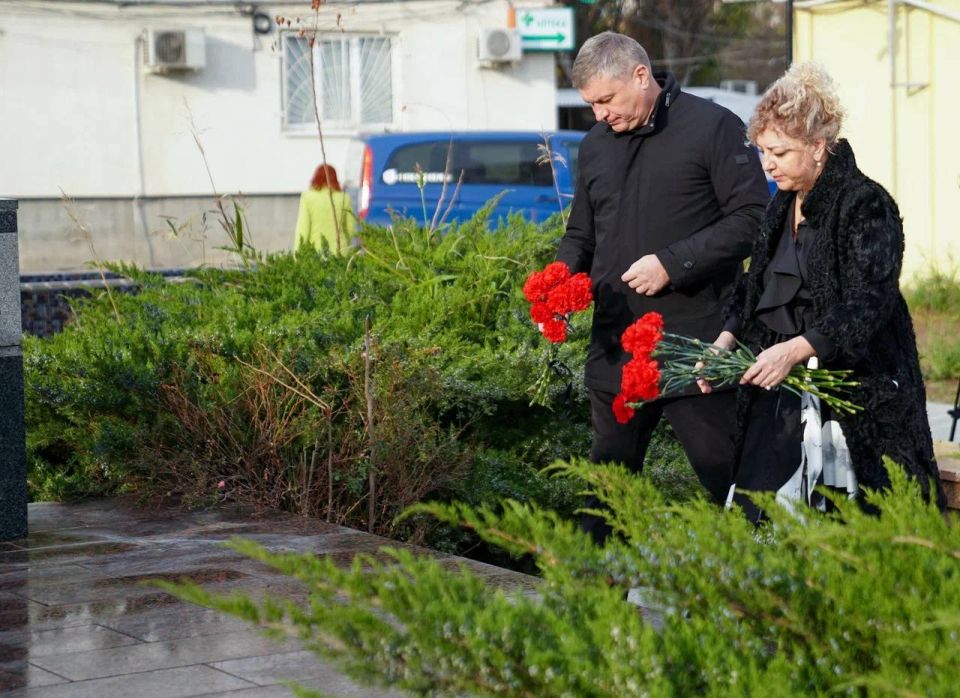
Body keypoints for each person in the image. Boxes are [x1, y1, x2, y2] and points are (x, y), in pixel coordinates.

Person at [701, 62, 945, 521]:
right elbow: (756, 283)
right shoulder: (781, 201)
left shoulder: (867, 203)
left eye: (779, 152)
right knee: (762, 517)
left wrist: (796, 349)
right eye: (762, 151)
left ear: (818, 147)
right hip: (777, 392)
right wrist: (724, 341)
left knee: (843, 522)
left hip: (852, 395)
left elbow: (868, 302)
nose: (767, 164)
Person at [556, 31, 770, 543]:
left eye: (606, 100)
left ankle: (768, 595)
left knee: (730, 483)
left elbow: (754, 217)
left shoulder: (712, 127)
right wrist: (558, 284)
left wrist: (673, 265)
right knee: (605, 494)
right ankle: (593, 606)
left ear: (640, 74)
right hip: (615, 348)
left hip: (695, 346)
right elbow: (581, 234)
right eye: (591, 105)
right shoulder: (594, 147)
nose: (599, 115)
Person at [294, 164, 355, 255]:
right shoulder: (345, 198)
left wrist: (297, 255)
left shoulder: (308, 198)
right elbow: (351, 229)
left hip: (316, 253)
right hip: (341, 252)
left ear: (316, 178)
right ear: (335, 179)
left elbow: (303, 229)